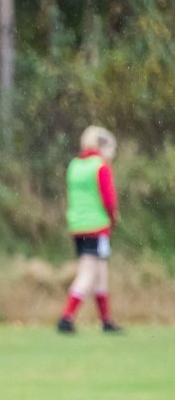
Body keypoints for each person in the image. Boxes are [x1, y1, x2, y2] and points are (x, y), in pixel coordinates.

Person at [58, 126, 121, 334]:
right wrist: (113, 218)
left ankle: (106, 320)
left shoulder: (75, 165)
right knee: (88, 272)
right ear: (102, 146)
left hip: (77, 226)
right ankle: (67, 316)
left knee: (101, 271)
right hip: (97, 226)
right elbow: (109, 199)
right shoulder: (100, 166)